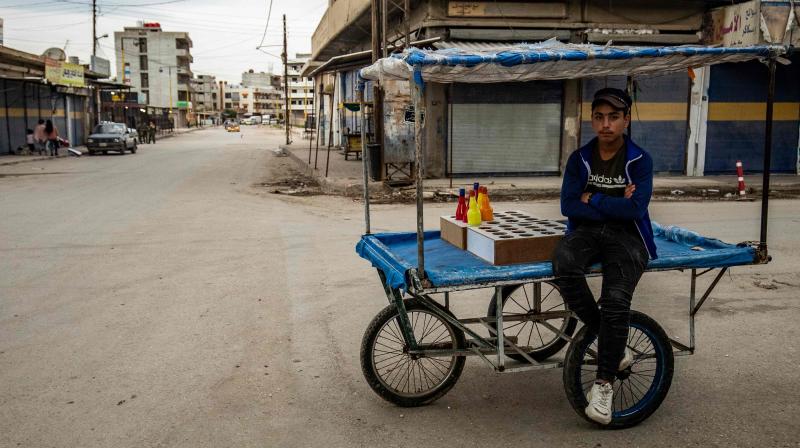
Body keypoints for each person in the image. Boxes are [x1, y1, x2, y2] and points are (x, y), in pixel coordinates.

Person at [552, 87, 657, 426]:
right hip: (586, 234)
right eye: (599, 117)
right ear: (592, 120)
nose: (606, 124)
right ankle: (612, 342)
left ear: (626, 120)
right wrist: (614, 204)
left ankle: (604, 385)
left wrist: (593, 198)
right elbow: (568, 205)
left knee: (615, 299)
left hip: (629, 238)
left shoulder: (640, 161)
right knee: (564, 265)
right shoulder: (579, 158)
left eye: (613, 117)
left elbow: (635, 210)